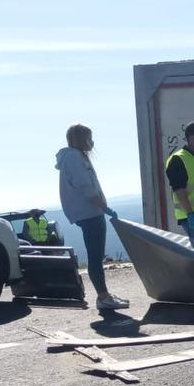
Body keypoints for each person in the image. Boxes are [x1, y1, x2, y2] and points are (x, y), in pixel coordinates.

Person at [55, 124, 128, 310]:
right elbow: (85, 186)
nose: (92, 142)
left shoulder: (75, 156)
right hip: (90, 213)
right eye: (89, 137)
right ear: (81, 139)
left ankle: (104, 295)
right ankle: (103, 297)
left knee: (96, 255)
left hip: (89, 212)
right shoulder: (73, 157)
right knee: (95, 256)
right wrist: (104, 207)